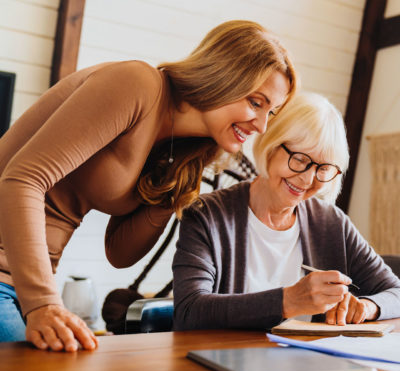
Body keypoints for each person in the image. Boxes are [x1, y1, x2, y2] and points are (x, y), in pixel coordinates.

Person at [0, 20, 297, 351]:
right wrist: (43, 303)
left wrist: (173, 191)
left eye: (272, 112)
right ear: (223, 75)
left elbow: (120, 253)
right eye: (257, 102)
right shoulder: (137, 84)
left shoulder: (186, 153)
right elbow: (22, 178)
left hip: (18, 284)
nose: (262, 125)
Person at [172, 92, 400, 330]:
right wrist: (288, 301)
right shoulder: (207, 216)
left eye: (323, 168)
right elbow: (189, 311)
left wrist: (366, 306)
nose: (308, 179)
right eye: (299, 159)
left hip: (310, 365)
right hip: (224, 363)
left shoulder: (331, 223)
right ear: (271, 146)